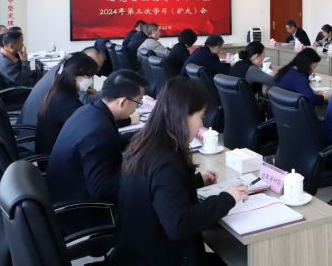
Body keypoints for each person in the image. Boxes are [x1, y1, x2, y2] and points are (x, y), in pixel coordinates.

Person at [106, 77, 248, 266]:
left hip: (138, 252)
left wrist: (195, 181)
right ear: (183, 115)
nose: (201, 125)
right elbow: (179, 224)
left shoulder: (146, 143)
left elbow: (158, 191)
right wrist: (227, 198)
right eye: (201, 116)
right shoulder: (166, 161)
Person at [46, 70, 147, 230]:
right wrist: (142, 174)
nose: (136, 108)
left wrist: (144, 136)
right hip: (81, 213)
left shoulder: (91, 111)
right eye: (138, 102)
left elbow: (110, 142)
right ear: (122, 102)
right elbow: (101, 188)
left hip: (65, 193)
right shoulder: (99, 130)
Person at [35, 53, 100, 154]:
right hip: (56, 157)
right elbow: (87, 127)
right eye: (89, 76)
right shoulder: (66, 101)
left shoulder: (58, 89)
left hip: (55, 150)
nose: (90, 81)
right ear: (77, 76)